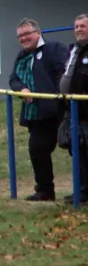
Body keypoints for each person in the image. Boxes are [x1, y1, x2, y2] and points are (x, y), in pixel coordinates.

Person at [9, 18, 67, 201]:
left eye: (27, 34)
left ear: (38, 33)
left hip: (58, 111)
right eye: (20, 36)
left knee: (76, 149)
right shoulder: (21, 56)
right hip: (35, 114)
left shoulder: (54, 49)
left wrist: (55, 97)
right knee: (37, 149)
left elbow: (64, 75)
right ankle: (45, 190)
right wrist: (22, 89)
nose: (24, 38)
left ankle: (82, 191)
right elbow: (14, 79)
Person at [60, 14, 88, 205]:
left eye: (83, 26)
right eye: (76, 26)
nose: (79, 29)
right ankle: (81, 190)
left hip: (86, 109)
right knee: (77, 150)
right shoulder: (73, 49)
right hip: (72, 108)